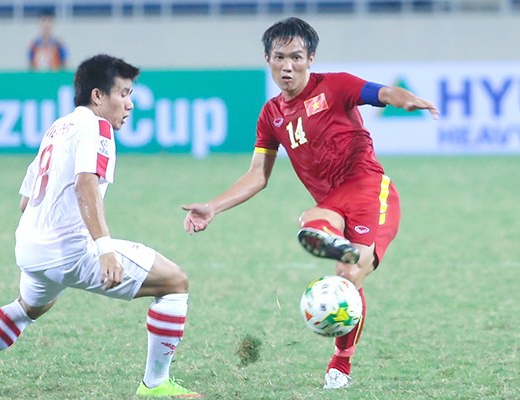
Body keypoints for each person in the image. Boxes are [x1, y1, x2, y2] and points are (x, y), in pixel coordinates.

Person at [181, 17, 439, 390]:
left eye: (297, 57)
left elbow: (382, 93)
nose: (288, 66)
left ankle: (340, 363)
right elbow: (258, 176)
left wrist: (407, 100)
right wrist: (212, 206)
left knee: (348, 276)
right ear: (267, 58)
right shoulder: (271, 115)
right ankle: (341, 248)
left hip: (371, 192)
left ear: (311, 58)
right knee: (313, 220)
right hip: (331, 203)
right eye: (280, 57)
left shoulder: (335, 86)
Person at [0, 54, 201, 399]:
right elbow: (85, 184)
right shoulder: (97, 126)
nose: (130, 104)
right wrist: (104, 250)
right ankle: (156, 384)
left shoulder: (58, 127)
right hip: (70, 250)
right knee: (175, 282)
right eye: (124, 93)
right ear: (98, 96)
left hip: (30, 248)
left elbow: (25, 199)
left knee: (29, 308)